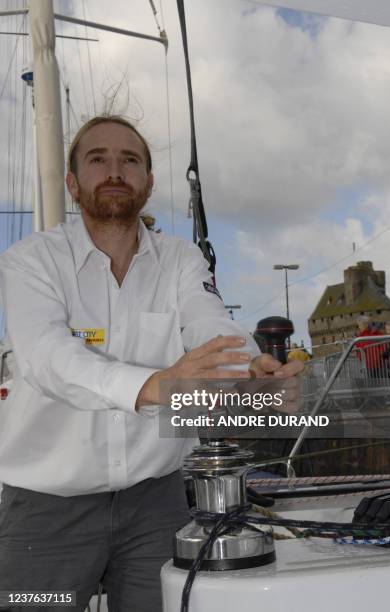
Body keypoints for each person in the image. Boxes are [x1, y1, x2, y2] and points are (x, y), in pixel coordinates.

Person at [0, 116, 302, 612]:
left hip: (155, 503)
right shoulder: (30, 260)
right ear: (73, 183)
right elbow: (46, 357)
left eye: (130, 160)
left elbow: (211, 326)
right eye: (98, 159)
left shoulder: (181, 261)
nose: (115, 170)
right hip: (45, 513)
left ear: (148, 182)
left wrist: (248, 368)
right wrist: (153, 386)